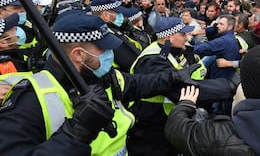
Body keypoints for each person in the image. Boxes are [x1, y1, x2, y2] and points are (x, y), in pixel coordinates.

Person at [0, 12, 199, 156]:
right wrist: (76, 134)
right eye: (104, 48)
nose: (110, 55)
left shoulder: (100, 75)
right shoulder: (30, 100)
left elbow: (137, 84)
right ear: (78, 54)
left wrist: (174, 76)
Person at [127, 17, 240, 155]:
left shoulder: (179, 51)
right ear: (169, 37)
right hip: (153, 130)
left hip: (171, 123)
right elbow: (184, 90)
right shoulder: (152, 61)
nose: (187, 38)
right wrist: (230, 86)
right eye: (182, 34)